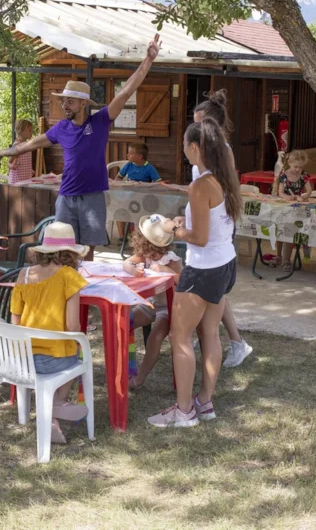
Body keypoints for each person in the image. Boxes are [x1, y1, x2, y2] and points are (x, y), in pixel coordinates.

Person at [0, 35, 162, 256]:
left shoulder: (99, 122)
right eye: (62, 100)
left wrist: (148, 60)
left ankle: (84, 286)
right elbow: (28, 145)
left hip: (92, 197)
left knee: (87, 252)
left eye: (69, 101)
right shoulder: (61, 128)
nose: (64, 105)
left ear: (82, 103)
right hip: (66, 197)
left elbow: (126, 91)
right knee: (63, 249)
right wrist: (2, 152)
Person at [148, 119, 242, 428]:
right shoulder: (224, 178)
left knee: (180, 337)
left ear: (195, 147)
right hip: (225, 261)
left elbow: (199, 238)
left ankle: (184, 410)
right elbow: (211, 228)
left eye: (185, 147)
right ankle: (204, 401)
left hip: (204, 268)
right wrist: (183, 223)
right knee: (211, 333)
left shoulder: (200, 185)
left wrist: (174, 228)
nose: (184, 153)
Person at [10, 222, 90, 444]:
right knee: (76, 355)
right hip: (54, 360)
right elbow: (73, 326)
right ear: (70, 254)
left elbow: (14, 318)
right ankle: (54, 410)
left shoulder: (24, 275)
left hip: (22, 360)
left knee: (67, 355)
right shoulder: (68, 276)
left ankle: (52, 415)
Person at [190, 90, 253, 368]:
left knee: (215, 290)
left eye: (198, 124)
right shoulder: (210, 150)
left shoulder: (219, 152)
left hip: (214, 231)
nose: (193, 129)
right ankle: (228, 340)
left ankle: (232, 342)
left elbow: (213, 193)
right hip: (213, 227)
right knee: (215, 291)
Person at [123, 214, 181, 390]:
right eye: (150, 250)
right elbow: (126, 263)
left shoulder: (171, 259)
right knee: (123, 323)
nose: (153, 255)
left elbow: (183, 281)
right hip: (150, 304)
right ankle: (122, 369)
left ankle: (140, 378)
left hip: (170, 308)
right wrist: (134, 270)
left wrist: (166, 270)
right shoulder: (144, 256)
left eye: (156, 251)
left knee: (155, 338)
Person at [276, 149, 313, 271]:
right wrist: (288, 197)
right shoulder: (284, 176)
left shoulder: (303, 175)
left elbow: (309, 190)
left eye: (300, 167)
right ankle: (280, 256)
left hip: (299, 208)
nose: (298, 170)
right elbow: (280, 193)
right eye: (296, 167)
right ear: (290, 163)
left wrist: (305, 196)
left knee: (294, 230)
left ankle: (289, 259)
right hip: (285, 208)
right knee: (282, 231)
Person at [7, 119, 35, 184]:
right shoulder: (17, 146)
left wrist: (29, 170)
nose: (32, 132)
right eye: (29, 130)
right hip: (17, 181)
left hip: (25, 179)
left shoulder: (26, 144)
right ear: (22, 131)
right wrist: (12, 166)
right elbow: (9, 162)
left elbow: (25, 161)